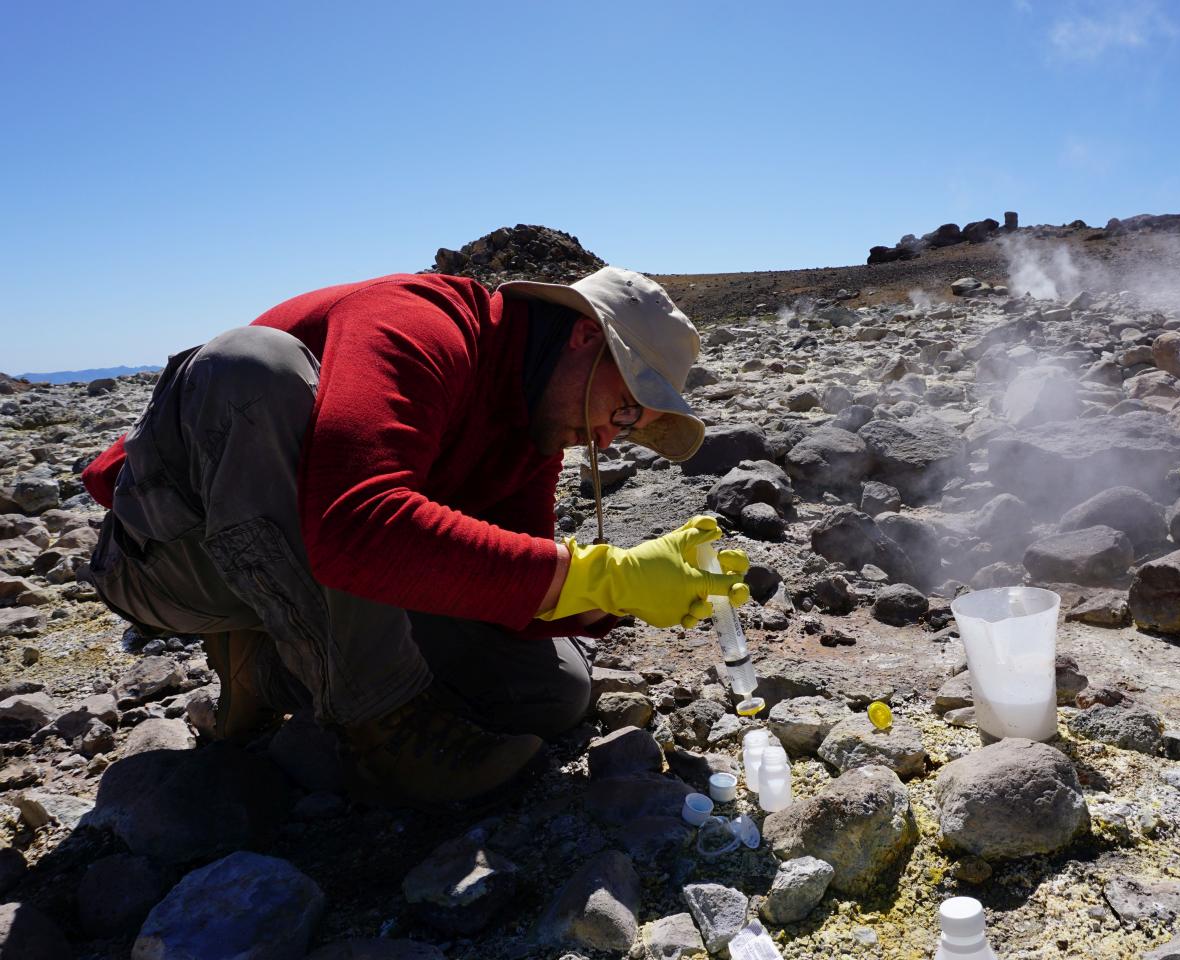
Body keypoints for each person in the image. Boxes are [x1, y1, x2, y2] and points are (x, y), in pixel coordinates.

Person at [80, 266, 750, 805]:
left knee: (551, 692)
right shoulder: (418, 325)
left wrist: (618, 592)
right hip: (172, 560)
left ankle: (265, 668)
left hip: (320, 570)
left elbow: (509, 597)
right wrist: (594, 574)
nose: (610, 437)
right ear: (582, 337)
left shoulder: (533, 425)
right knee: (251, 363)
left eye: (630, 428)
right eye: (624, 407)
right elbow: (354, 522)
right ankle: (382, 721)